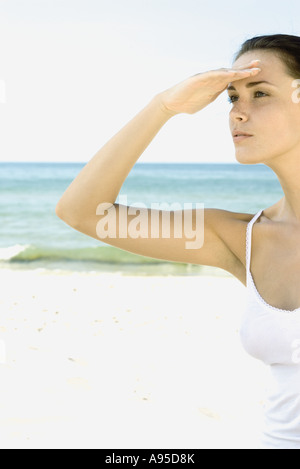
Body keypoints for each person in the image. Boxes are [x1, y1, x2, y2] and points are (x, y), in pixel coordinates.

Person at [56, 34, 300, 449]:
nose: (238, 113)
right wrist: (163, 106)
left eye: (260, 93)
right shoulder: (242, 238)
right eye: (232, 97)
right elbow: (83, 213)